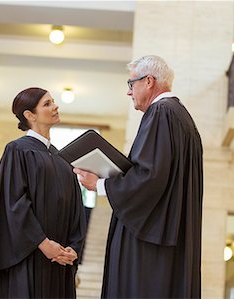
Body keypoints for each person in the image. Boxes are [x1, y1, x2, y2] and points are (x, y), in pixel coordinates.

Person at [74, 55, 203, 298]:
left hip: (150, 242)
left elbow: (150, 175)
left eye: (131, 84)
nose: (129, 92)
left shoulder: (161, 113)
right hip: (169, 238)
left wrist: (100, 184)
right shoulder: (181, 117)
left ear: (149, 82)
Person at [0, 87, 86, 298]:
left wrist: (73, 248)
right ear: (30, 115)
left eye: (53, 102)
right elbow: (14, 203)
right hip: (28, 256)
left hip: (60, 260)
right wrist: (44, 244)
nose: (55, 106)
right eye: (47, 104)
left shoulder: (63, 159)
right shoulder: (17, 150)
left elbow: (76, 207)